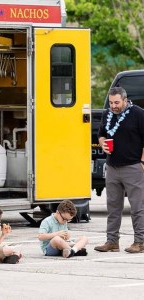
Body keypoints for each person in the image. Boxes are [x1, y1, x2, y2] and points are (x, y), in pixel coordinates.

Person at [94, 87, 144, 254]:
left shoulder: (138, 113)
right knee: (113, 207)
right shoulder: (108, 114)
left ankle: (140, 241)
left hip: (133, 166)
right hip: (113, 167)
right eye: (111, 102)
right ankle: (112, 241)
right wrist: (103, 144)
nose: (113, 106)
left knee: (138, 207)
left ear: (125, 100)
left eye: (116, 102)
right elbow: (101, 134)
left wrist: (143, 162)